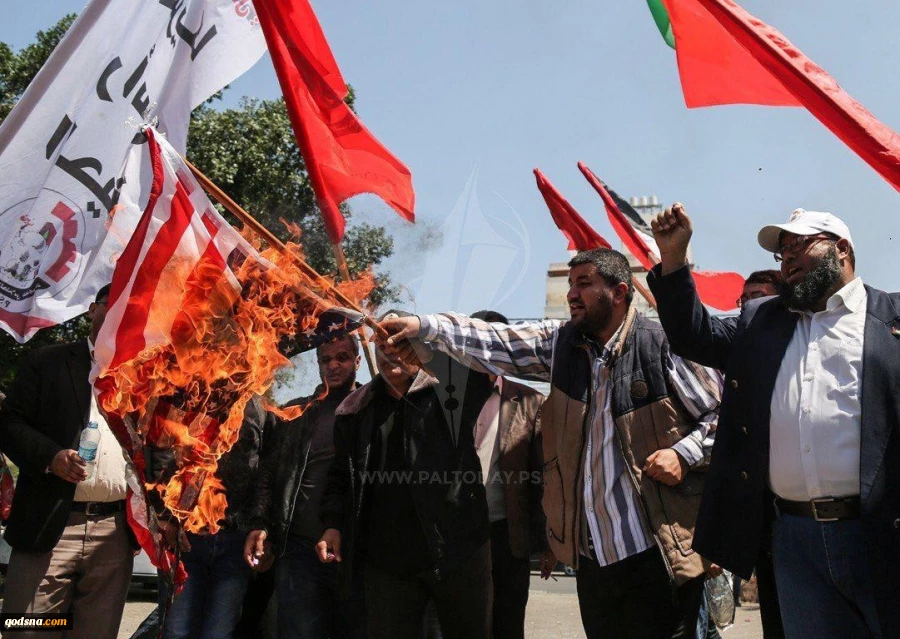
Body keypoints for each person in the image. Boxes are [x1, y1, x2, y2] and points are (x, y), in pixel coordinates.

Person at [379, 250, 722, 639]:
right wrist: (423, 326)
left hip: (657, 550)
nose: (572, 294)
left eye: (584, 284)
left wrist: (683, 453)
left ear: (620, 291)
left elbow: (726, 419)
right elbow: (493, 339)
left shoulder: (664, 347)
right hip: (595, 560)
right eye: (571, 283)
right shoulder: (561, 347)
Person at [647, 205, 900, 638]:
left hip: (881, 532)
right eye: (782, 253)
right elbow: (694, 336)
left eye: (799, 245)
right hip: (794, 540)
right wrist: (674, 259)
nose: (787, 259)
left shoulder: (891, 319)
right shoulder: (762, 321)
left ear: (841, 248)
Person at [317, 312, 495, 639]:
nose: (391, 353)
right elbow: (342, 476)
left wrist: (425, 345)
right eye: (383, 345)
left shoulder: (449, 393)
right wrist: (332, 524)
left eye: (401, 343)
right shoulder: (356, 411)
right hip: (387, 560)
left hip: (457, 549)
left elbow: (483, 375)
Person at [0, 284, 135, 639]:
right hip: (50, 525)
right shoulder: (48, 361)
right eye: (112, 304)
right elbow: (9, 422)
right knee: (28, 629)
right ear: (92, 309)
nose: (119, 313)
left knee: (94, 633)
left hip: (115, 534)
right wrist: (51, 457)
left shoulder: (143, 376)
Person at [245, 325, 365, 639]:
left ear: (358, 360)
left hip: (355, 553)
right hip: (298, 553)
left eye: (342, 357)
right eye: (326, 360)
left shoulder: (371, 412)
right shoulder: (297, 413)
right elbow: (269, 473)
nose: (333, 365)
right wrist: (261, 524)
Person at [151, 396, 272, 639]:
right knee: (177, 629)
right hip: (187, 538)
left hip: (234, 542)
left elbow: (264, 473)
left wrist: (259, 525)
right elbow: (161, 452)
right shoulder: (194, 390)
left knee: (219, 633)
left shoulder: (259, 409)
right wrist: (166, 517)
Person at [469, 310, 553, 639]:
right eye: (480, 342)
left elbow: (543, 478)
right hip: (456, 536)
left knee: (507, 624)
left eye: (496, 343)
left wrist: (548, 542)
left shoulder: (531, 401)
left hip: (508, 536)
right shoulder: (443, 396)